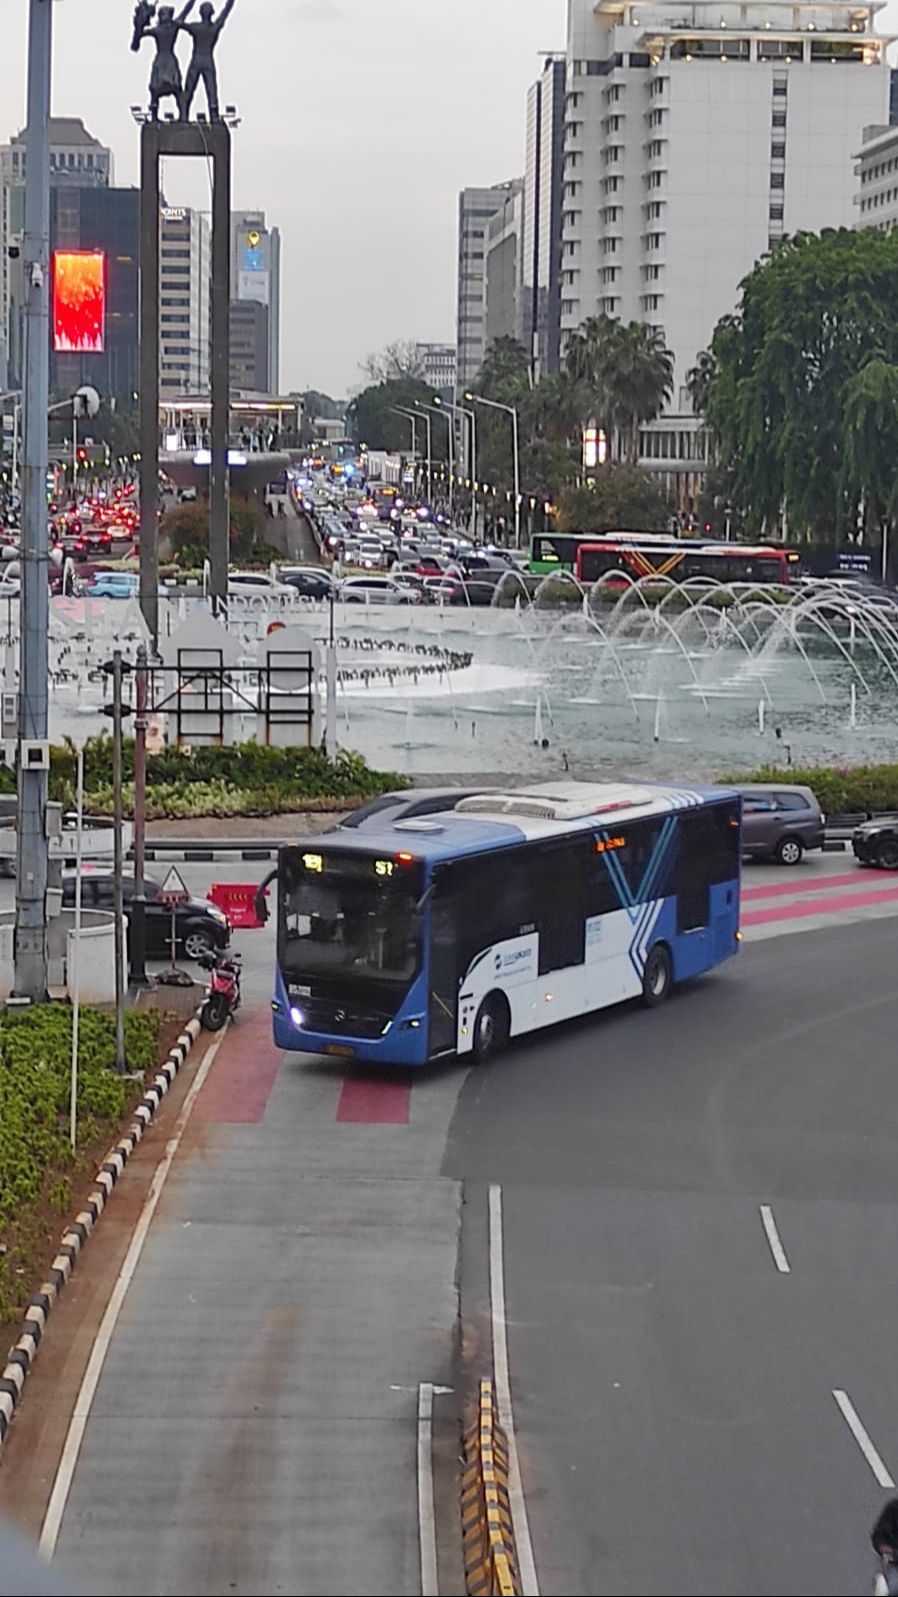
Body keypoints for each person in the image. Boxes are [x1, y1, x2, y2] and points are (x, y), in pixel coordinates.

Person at [136, 0, 195, 121]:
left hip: (165, 60)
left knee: (171, 90)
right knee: (167, 90)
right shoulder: (165, 28)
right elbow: (136, 41)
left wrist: (140, 22)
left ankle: (179, 116)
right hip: (166, 59)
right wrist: (141, 20)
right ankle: (162, 116)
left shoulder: (162, 29)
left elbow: (137, 39)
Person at [180, 0, 236, 121]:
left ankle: (184, 115)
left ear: (200, 13)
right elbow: (225, 12)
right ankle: (213, 115)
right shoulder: (214, 27)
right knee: (211, 90)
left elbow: (180, 23)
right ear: (212, 13)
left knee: (190, 88)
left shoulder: (196, 27)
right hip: (207, 60)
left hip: (196, 59)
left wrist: (190, 3)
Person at [872, 1500, 898, 1594]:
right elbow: (879, 1535)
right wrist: (883, 1547)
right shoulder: (894, 1509)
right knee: (892, 1588)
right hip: (895, 1564)